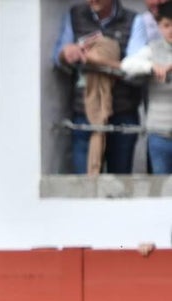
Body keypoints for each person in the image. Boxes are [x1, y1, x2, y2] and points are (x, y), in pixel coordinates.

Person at [53, 0, 149, 174]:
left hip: (122, 114)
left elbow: (136, 69)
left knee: (118, 182)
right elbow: (59, 58)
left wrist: (98, 61)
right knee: (84, 180)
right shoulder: (75, 15)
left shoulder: (134, 20)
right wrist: (67, 54)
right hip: (84, 113)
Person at [123, 1, 172, 174]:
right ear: (158, 26)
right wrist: (151, 67)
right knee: (162, 191)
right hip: (158, 133)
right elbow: (127, 65)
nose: (171, 30)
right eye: (166, 25)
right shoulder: (152, 49)